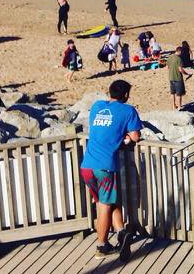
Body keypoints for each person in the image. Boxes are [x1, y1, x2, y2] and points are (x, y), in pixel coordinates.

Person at [80, 79, 142, 257]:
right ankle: (101, 246)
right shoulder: (128, 110)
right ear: (126, 95)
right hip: (105, 166)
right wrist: (128, 137)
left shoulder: (97, 106)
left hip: (87, 166)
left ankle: (121, 232)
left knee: (107, 202)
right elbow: (136, 136)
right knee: (104, 206)